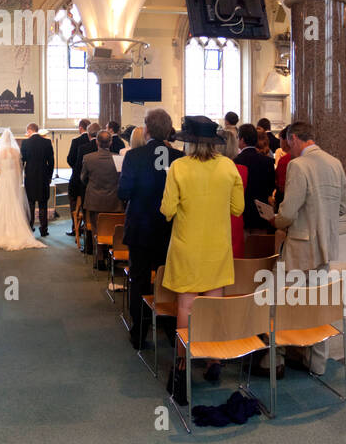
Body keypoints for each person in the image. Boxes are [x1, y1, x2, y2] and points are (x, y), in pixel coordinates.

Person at [159, 115, 244, 400]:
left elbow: (167, 210)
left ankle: (182, 365)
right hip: (217, 247)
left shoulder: (178, 167)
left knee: (187, 306)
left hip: (187, 246)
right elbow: (237, 209)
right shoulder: (228, 166)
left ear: (189, 143)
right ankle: (214, 360)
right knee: (213, 305)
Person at [269, 121, 346, 373]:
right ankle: (316, 363)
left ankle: (277, 359)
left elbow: (289, 212)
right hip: (327, 245)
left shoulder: (298, 165)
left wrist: (275, 220)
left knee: (283, 303)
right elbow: (343, 209)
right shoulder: (335, 164)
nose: (287, 149)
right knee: (317, 306)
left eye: (286, 143)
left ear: (293, 138)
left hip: (300, 247)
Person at [118, 108, 175, 350]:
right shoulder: (179, 157)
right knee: (168, 279)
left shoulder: (134, 156)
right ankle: (171, 329)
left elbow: (123, 193)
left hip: (141, 226)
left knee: (139, 279)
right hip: (169, 228)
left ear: (147, 130)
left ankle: (139, 333)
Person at [0, 128, 47, 251]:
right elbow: (19, 168)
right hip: (12, 178)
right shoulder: (15, 151)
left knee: (3, 203)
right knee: (14, 203)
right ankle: (18, 230)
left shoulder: (0, 152)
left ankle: (2, 231)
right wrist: (19, 181)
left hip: (4, 179)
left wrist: (0, 181)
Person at [81, 128, 122, 261]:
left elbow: (83, 178)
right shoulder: (118, 159)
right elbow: (121, 179)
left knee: (96, 229)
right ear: (110, 143)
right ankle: (112, 255)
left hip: (95, 200)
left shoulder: (88, 158)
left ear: (97, 143)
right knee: (112, 229)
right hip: (114, 201)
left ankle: (98, 257)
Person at [234, 124, 276, 232]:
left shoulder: (236, 162)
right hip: (261, 213)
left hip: (243, 213)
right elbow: (271, 187)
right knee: (260, 247)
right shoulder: (268, 161)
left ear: (242, 140)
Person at [20, 123, 55, 237]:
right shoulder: (46, 142)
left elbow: (22, 160)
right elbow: (51, 161)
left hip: (30, 175)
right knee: (43, 203)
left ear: (29, 131)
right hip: (43, 175)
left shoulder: (25, 143)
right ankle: (44, 230)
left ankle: (30, 228)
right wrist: (49, 176)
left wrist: (22, 174)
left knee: (30, 202)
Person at [66, 119, 94, 237]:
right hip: (91, 180)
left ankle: (75, 227)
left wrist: (76, 169)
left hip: (77, 180)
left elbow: (70, 159)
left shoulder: (76, 141)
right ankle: (87, 226)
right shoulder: (96, 142)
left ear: (81, 128)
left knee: (73, 200)